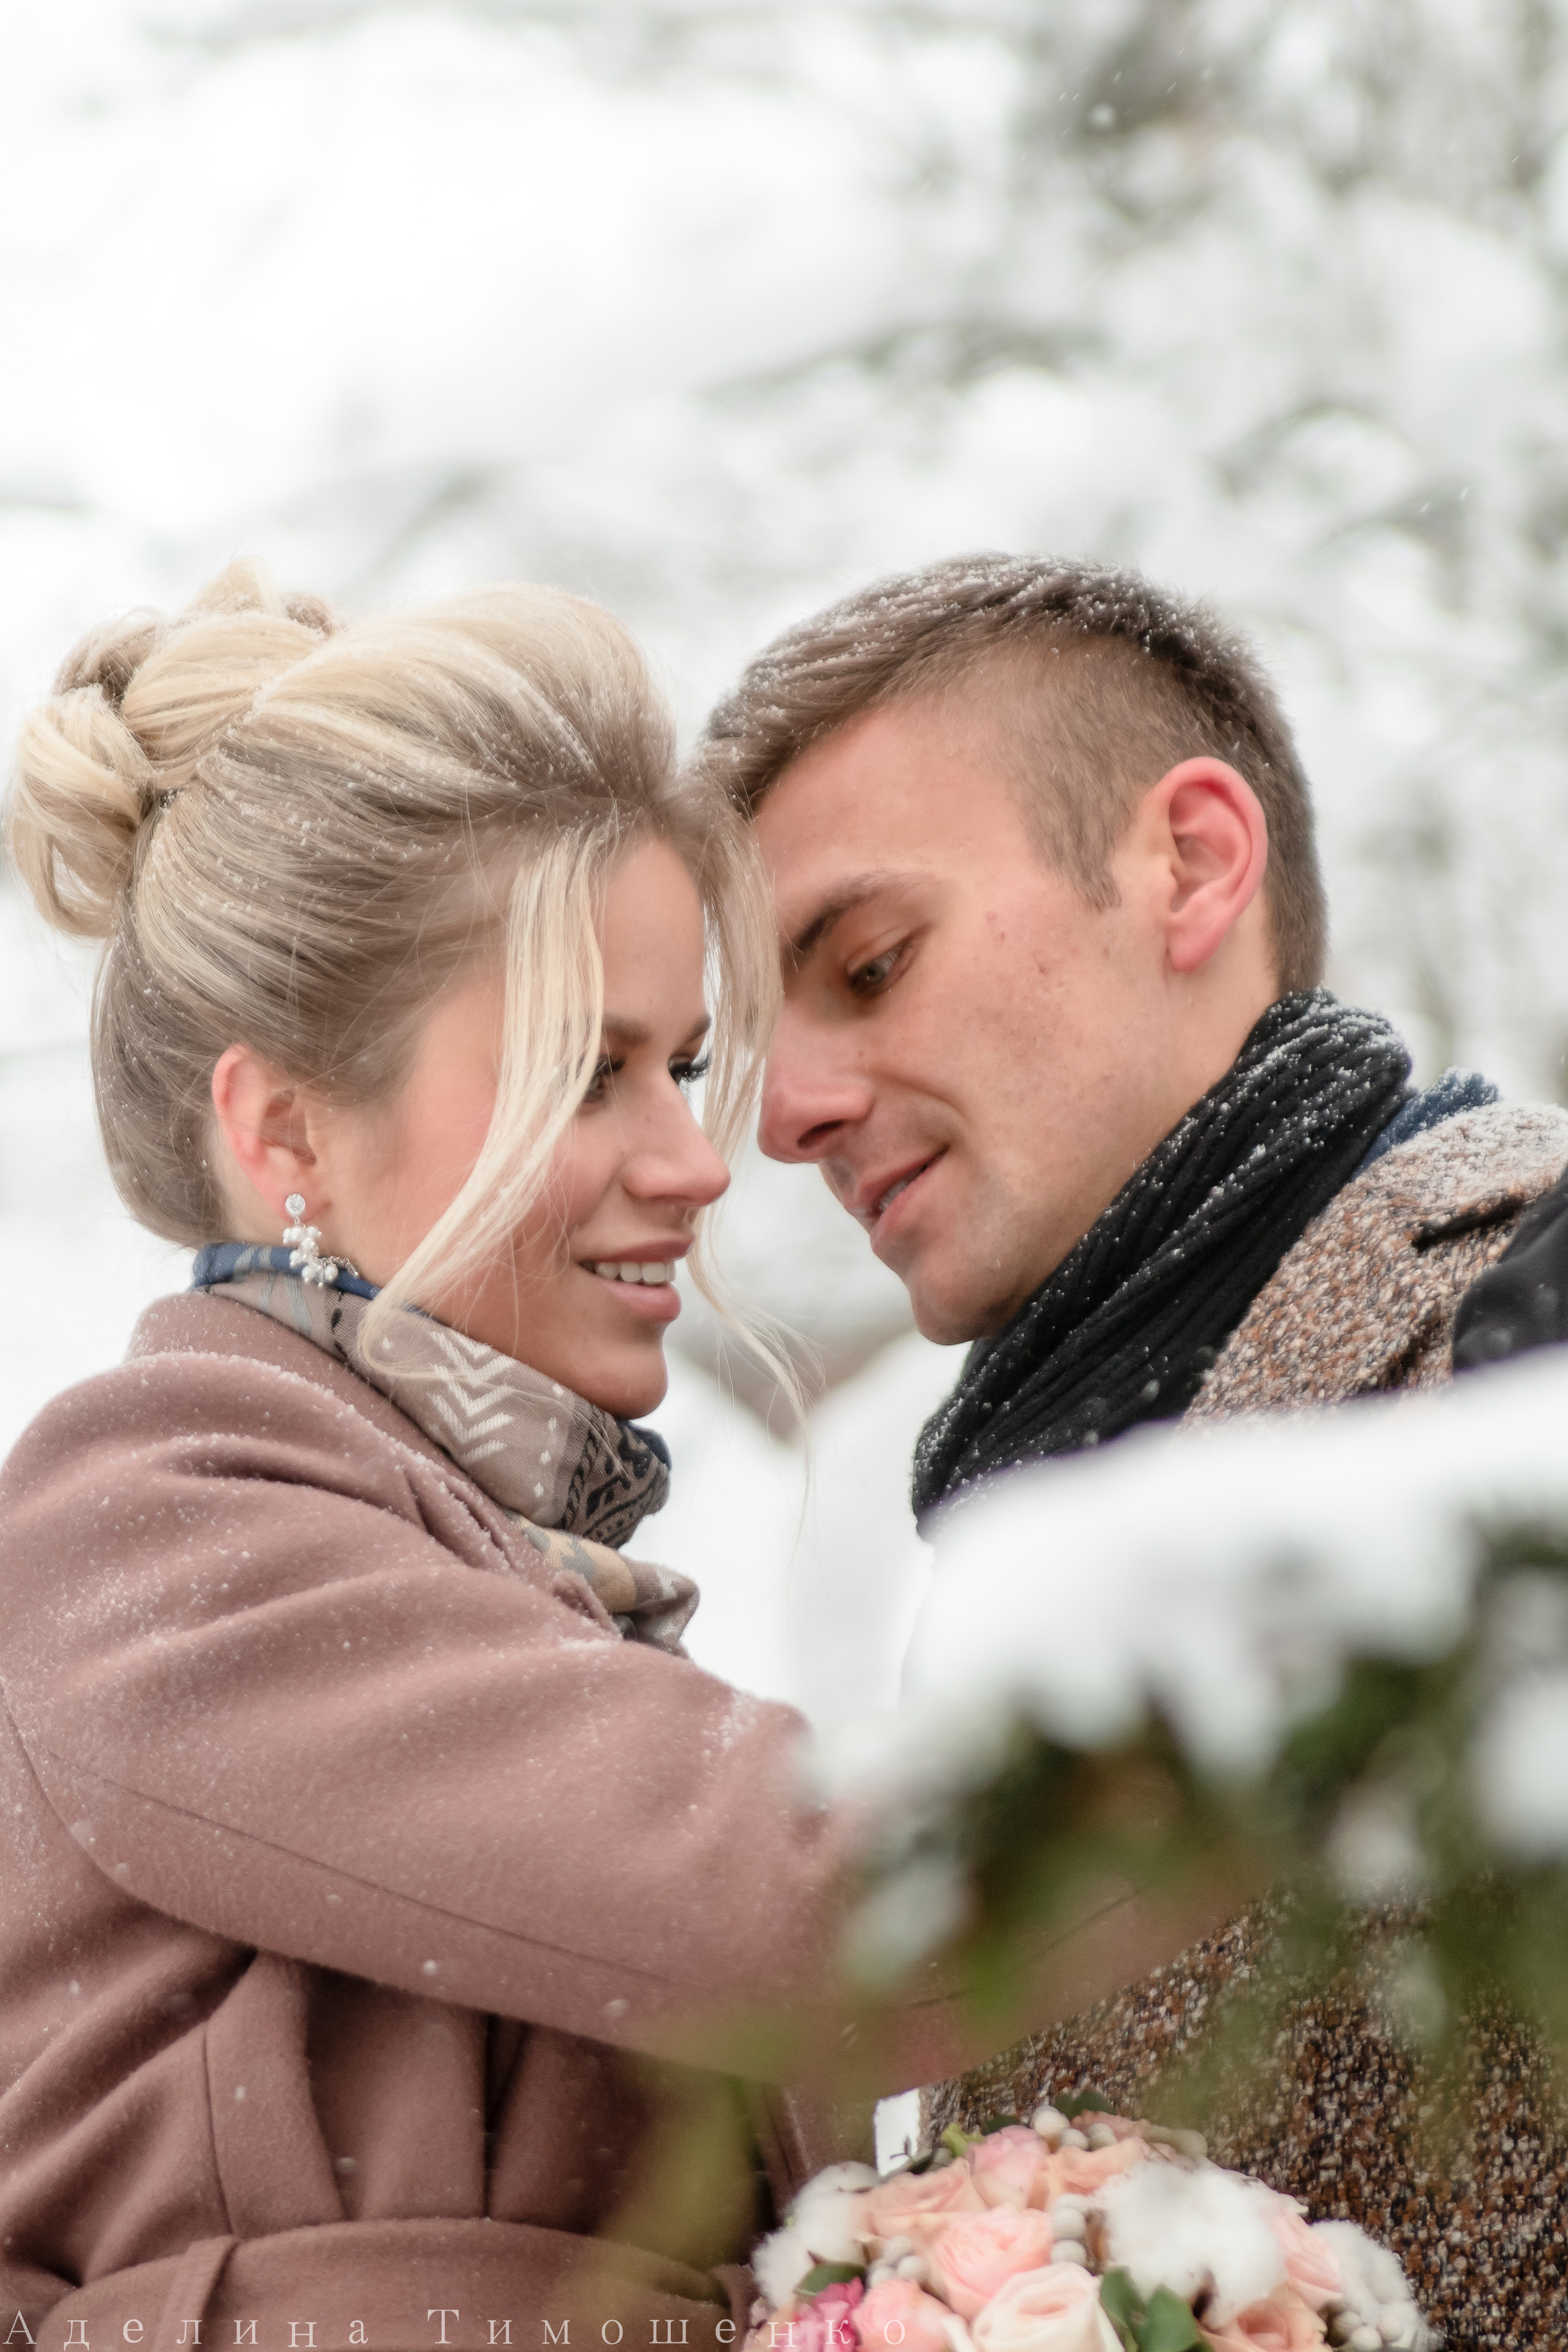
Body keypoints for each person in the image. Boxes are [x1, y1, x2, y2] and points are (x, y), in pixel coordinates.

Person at [0, 564, 1074, 2349]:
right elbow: (820, 1903)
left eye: (687, 1066)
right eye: (589, 1075)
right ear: (285, 1131)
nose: (696, 1158)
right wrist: (1362, 1696)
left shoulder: (497, 1584)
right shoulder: (148, 1518)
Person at [697, 552, 1568, 2350]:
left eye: (868, 962)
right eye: (757, 1050)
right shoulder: (1010, 1542)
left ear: (1189, 864)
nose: (787, 1116)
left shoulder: (1530, 1320)